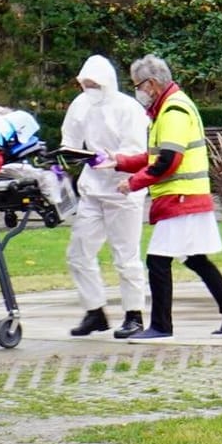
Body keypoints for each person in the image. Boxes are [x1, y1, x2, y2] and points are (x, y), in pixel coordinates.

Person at [104, 55, 222, 342]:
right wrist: (119, 161)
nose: (138, 92)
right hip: (186, 198)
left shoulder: (173, 111)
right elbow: (156, 156)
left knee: (157, 261)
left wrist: (133, 183)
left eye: (138, 86)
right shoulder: (170, 108)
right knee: (195, 260)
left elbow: (166, 161)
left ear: (152, 84)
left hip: (180, 198)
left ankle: (161, 326)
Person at [59, 55, 150, 339]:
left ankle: (134, 315)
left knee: (126, 255)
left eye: (94, 83)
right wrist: (67, 158)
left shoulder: (127, 108)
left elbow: (136, 150)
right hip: (92, 189)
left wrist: (115, 161)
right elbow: (70, 140)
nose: (89, 88)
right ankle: (95, 311)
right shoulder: (80, 105)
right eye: (85, 84)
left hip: (122, 190)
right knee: (78, 252)